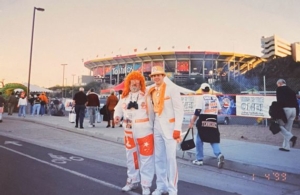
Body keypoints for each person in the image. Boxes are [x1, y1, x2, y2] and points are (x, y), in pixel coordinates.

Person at [114, 71, 154, 195]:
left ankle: (146, 185)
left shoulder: (147, 94)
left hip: (144, 131)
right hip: (128, 131)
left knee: (146, 158)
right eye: (132, 83)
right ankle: (132, 181)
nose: (134, 85)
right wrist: (116, 116)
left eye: (137, 83)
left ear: (141, 83)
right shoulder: (124, 96)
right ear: (128, 84)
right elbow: (118, 109)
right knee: (131, 158)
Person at [147, 66, 184, 195]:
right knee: (158, 158)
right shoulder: (151, 90)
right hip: (157, 125)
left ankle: (173, 189)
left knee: (171, 159)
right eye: (154, 76)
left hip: (170, 128)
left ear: (163, 76)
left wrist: (177, 128)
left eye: (159, 75)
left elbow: (179, 110)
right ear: (151, 77)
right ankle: (161, 187)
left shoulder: (172, 89)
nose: (156, 77)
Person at [188, 83, 225, 168]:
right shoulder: (215, 97)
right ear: (209, 90)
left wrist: (192, 121)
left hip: (203, 119)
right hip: (213, 120)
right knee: (213, 139)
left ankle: (199, 159)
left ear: (201, 90)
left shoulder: (201, 98)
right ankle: (219, 155)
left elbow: (197, 111)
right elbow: (219, 111)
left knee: (199, 139)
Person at [276, 79, 298, 151]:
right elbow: (296, 102)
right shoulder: (292, 91)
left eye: (277, 84)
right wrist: (297, 113)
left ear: (280, 83)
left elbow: (279, 101)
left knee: (278, 125)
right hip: (293, 110)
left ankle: (291, 137)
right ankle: (286, 146)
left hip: (286, 110)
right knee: (288, 128)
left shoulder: (279, 89)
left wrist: (278, 112)